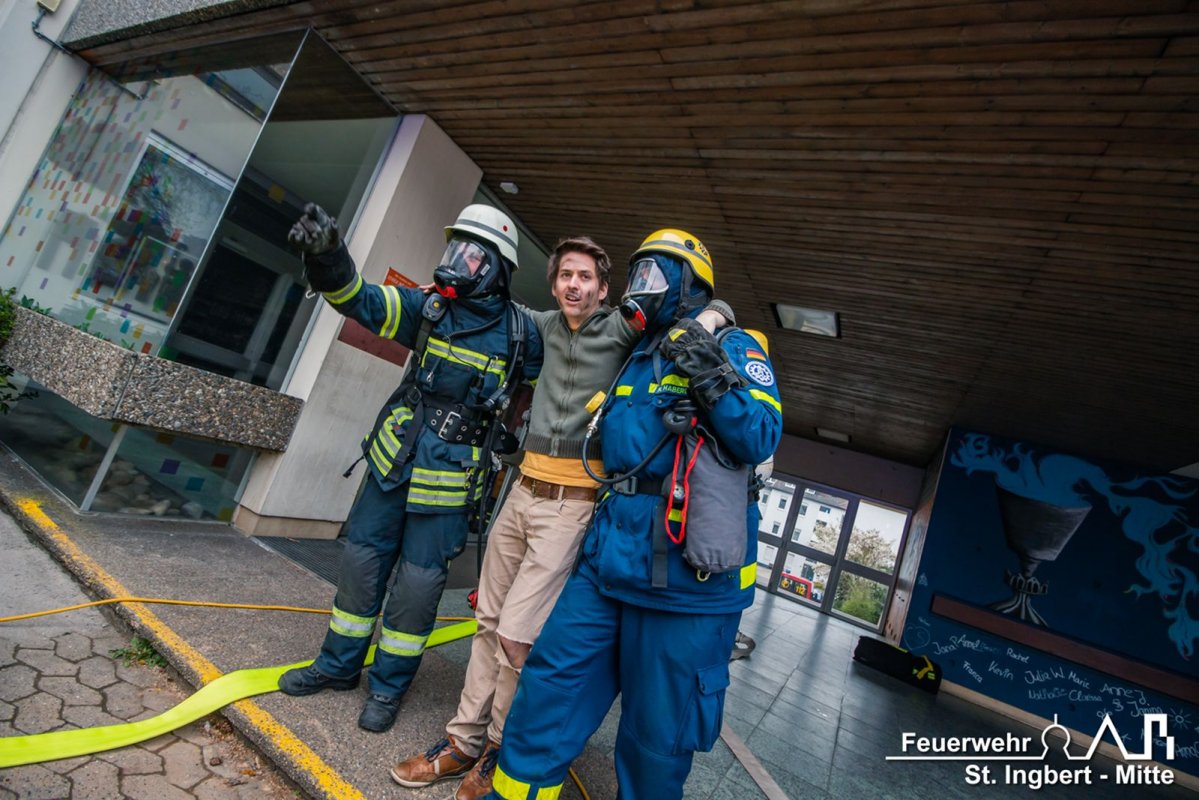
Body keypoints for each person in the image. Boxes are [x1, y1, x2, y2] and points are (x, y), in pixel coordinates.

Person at [389, 236, 734, 798]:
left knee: (518, 639)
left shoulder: (626, 330)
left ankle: (499, 748)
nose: (574, 285)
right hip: (520, 493)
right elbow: (492, 304)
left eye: (585, 278)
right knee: (487, 624)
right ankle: (462, 743)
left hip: (571, 507)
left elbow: (696, 306)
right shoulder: (543, 327)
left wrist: (717, 314)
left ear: (604, 289)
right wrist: (444, 289)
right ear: (554, 286)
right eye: (565, 276)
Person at [486, 229, 783, 800]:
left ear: (690, 286)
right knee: (548, 692)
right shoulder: (637, 354)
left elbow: (761, 432)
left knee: (656, 740)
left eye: (656, 275)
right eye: (636, 274)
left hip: (686, 586)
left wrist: (710, 372)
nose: (640, 287)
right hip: (607, 566)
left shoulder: (737, 347)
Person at [277, 202, 542, 734]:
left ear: (497, 269)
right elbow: (361, 300)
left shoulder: (522, 335)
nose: (457, 262)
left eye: (471, 255)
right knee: (360, 565)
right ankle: (336, 667)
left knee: (418, 590)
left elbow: (548, 386)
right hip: (392, 461)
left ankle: (389, 688)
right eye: (455, 250)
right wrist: (330, 255)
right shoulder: (428, 308)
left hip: (447, 481)